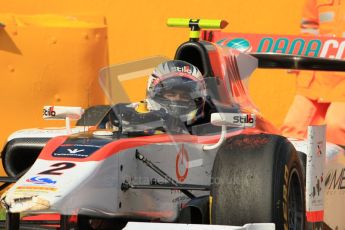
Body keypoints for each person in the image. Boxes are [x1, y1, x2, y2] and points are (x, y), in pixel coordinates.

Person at [281, 0, 345, 146]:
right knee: (292, 128)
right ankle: (295, 168)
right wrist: (304, 72)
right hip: (317, 78)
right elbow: (310, 28)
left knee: (336, 126)